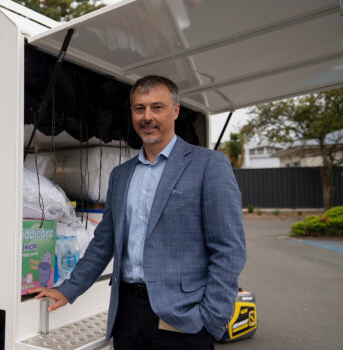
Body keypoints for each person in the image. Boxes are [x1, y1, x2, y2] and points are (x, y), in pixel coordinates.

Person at [30, 75, 246, 350]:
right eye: (139, 108)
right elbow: (103, 243)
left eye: (157, 107)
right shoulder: (121, 175)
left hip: (183, 317)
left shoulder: (208, 165)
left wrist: (212, 318)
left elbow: (229, 249)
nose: (147, 117)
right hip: (127, 314)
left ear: (176, 110)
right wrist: (67, 289)